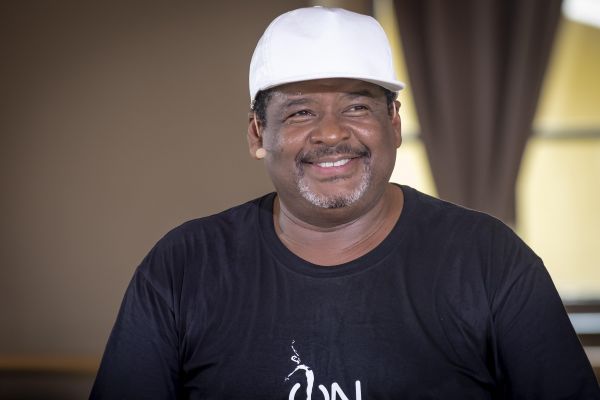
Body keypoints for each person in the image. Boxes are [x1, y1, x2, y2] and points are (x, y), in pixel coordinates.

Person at [90, 6, 600, 399]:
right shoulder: (184, 266)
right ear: (257, 134)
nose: (332, 133)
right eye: (300, 112)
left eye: (356, 106)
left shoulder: (489, 258)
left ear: (394, 123)